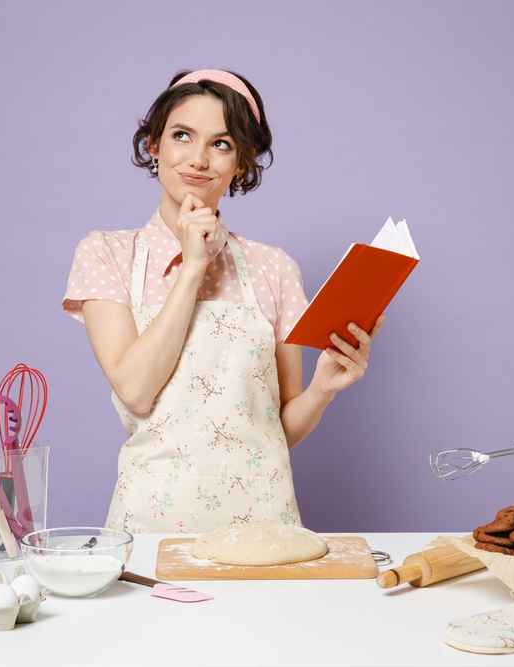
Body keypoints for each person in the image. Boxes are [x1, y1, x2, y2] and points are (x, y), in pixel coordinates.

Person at [62, 69, 383, 534]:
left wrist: (322, 390)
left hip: (263, 528)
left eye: (222, 144)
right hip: (150, 528)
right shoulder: (106, 253)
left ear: (242, 164)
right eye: (181, 136)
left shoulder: (273, 267)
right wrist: (193, 266)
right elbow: (134, 389)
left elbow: (275, 430)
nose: (198, 159)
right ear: (153, 145)